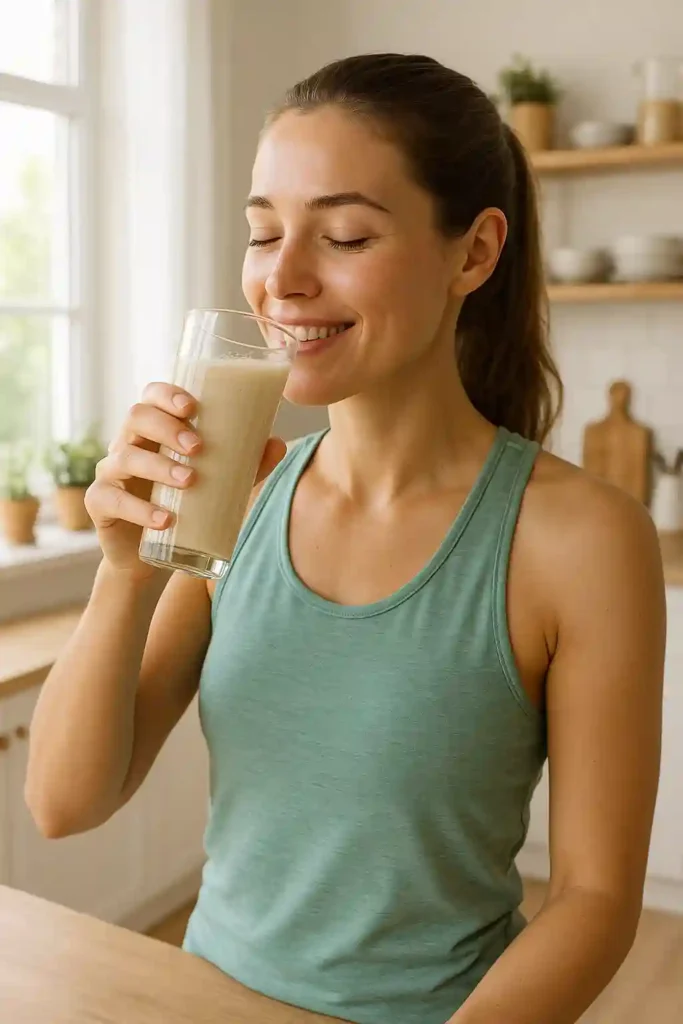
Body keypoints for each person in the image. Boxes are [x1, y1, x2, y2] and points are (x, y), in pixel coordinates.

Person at [26, 54, 666, 1024]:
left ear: (472, 253)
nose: (280, 278)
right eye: (261, 232)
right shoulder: (236, 500)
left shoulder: (578, 538)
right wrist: (125, 568)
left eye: (344, 234)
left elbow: (594, 898)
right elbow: (66, 804)